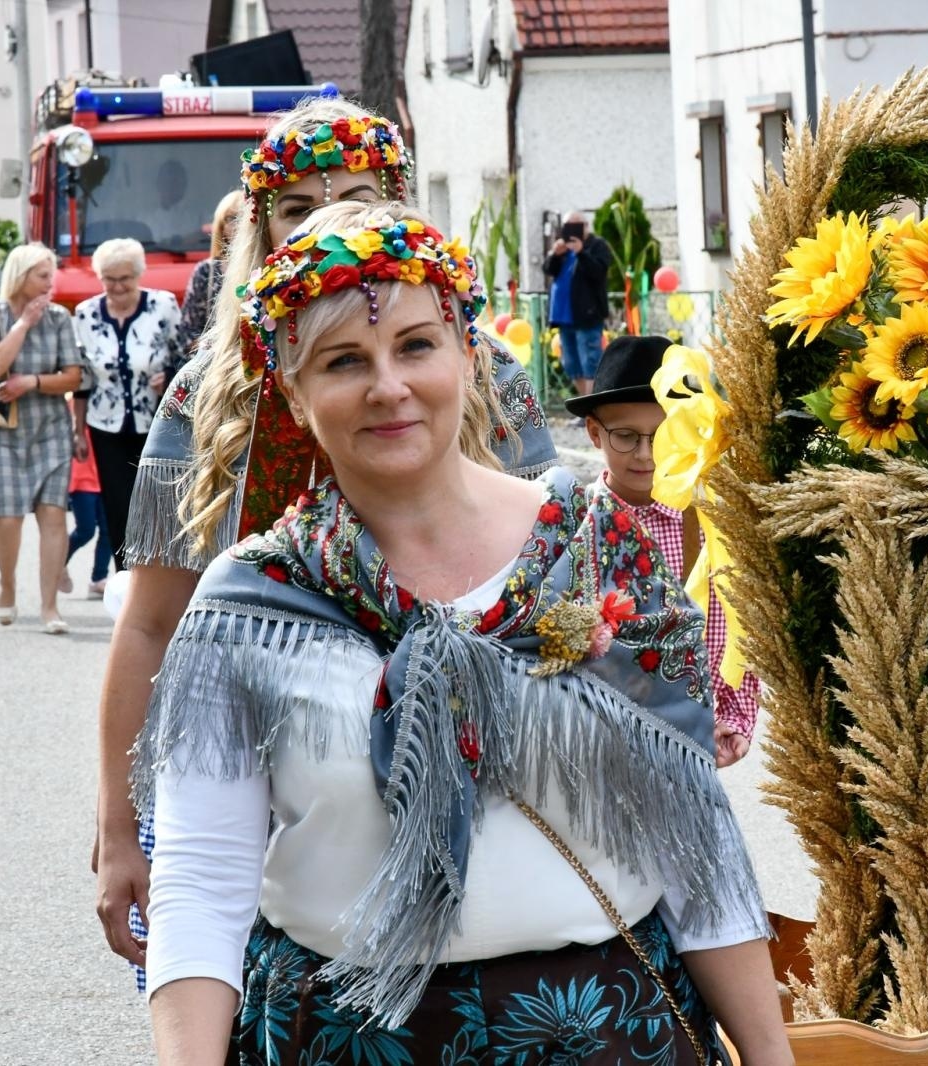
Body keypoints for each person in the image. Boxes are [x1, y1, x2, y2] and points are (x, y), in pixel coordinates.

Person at [135, 201, 789, 1065]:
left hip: (605, 1027)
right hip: (345, 1037)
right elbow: (203, 885)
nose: (388, 386)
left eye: (415, 345)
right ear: (292, 393)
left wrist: (770, 1056)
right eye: (342, 361)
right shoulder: (252, 604)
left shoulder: (594, 554)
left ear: (467, 356)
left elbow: (694, 839)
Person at [94, 98, 557, 994]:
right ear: (260, 230)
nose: (334, 222)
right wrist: (119, 824)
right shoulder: (209, 395)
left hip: (470, 757)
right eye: (300, 208)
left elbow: (563, 578)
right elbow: (152, 626)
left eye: (359, 197)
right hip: (258, 771)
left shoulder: (481, 372)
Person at [567, 335, 761, 767]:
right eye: (625, 436)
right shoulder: (575, 526)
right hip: (598, 744)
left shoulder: (710, 526)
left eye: (662, 436)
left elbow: (729, 630)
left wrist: (728, 717)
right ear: (595, 432)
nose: (644, 454)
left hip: (688, 745)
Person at [0, 243, 85, 635]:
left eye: (50, 276)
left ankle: (49, 606)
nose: (50, 284)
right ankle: (6, 584)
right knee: (7, 517)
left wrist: (32, 382)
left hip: (50, 427)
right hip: (0, 430)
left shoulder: (59, 318)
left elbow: (75, 376)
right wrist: (22, 325)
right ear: (20, 277)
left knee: (53, 515)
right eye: (42, 276)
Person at [70, 238, 184, 573]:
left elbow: (185, 356)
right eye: (110, 279)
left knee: (160, 505)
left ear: (139, 275)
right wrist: (78, 433)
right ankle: (126, 581)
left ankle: (162, 578)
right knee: (119, 507)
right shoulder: (86, 313)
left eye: (125, 278)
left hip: (158, 423)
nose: (118, 287)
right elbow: (83, 378)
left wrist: (169, 375)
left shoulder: (162, 305)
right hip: (106, 425)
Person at [544, 210, 613, 400]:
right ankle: (585, 410)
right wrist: (555, 254)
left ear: (586, 226)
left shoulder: (597, 246)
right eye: (568, 226)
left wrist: (581, 252)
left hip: (587, 316)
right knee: (572, 365)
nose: (572, 230)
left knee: (590, 362)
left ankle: (593, 407)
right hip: (564, 317)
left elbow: (599, 272)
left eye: (577, 225)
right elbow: (548, 269)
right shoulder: (562, 249)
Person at [176, 190, 242, 355]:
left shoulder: (270, 266)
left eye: (246, 217)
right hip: (215, 366)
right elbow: (187, 332)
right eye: (232, 218)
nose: (240, 225)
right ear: (221, 226)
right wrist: (218, 349)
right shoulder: (206, 271)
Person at [65, 408, 112, 599]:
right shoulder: (74, 406)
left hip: (105, 477)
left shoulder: (106, 404)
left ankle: (99, 578)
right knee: (86, 530)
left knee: (108, 530)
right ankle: (58, 561)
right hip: (81, 478)